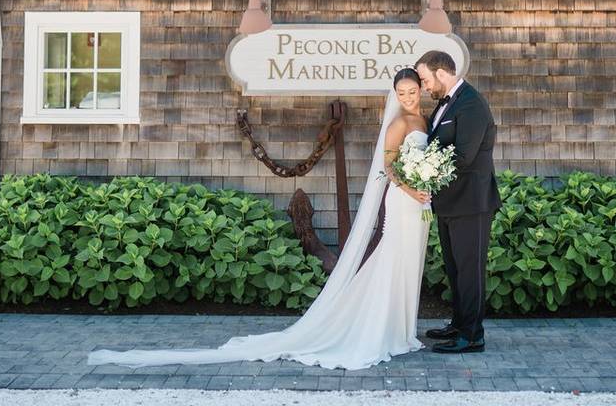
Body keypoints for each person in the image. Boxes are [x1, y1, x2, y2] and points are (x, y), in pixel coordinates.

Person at [87, 68, 434, 371]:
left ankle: (402, 331)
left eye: (411, 92)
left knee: (408, 264)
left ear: (420, 89)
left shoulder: (423, 119)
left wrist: (427, 183)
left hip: (420, 203)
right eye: (400, 93)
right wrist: (411, 189)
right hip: (405, 200)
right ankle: (382, 332)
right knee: (392, 262)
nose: (406, 97)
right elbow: (387, 168)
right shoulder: (398, 123)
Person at [414, 50, 501, 354]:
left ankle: (472, 335)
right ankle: (459, 323)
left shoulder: (471, 104)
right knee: (455, 269)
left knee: (470, 269)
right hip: (450, 202)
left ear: (441, 73)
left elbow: (463, 156)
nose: (425, 87)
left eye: (425, 80)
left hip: (471, 203)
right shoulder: (445, 104)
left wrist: (421, 166)